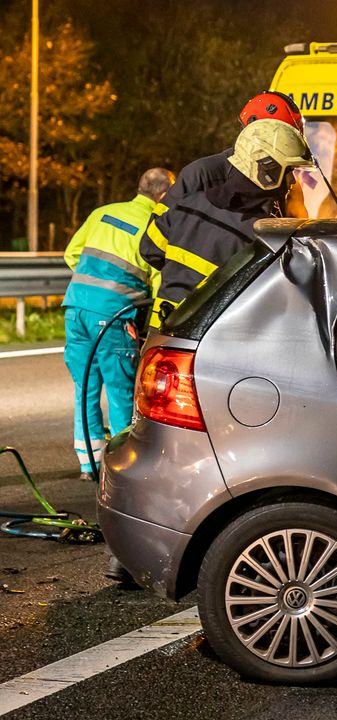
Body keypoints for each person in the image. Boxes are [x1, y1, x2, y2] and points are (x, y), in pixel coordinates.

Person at [141, 119, 313, 327]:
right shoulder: (262, 237)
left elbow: (149, 250)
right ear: (266, 170)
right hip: (209, 346)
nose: (292, 182)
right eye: (289, 171)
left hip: (160, 338)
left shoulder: (188, 205)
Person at [61, 168, 174, 482]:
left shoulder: (103, 213)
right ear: (163, 195)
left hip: (75, 307)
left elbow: (72, 253)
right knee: (121, 390)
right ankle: (122, 469)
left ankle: (89, 465)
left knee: (85, 388)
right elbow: (157, 283)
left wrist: (94, 287)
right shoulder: (156, 227)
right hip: (112, 316)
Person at [163, 91, 305, 211]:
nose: (292, 179)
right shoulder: (200, 175)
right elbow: (159, 232)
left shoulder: (280, 187)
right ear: (256, 134)